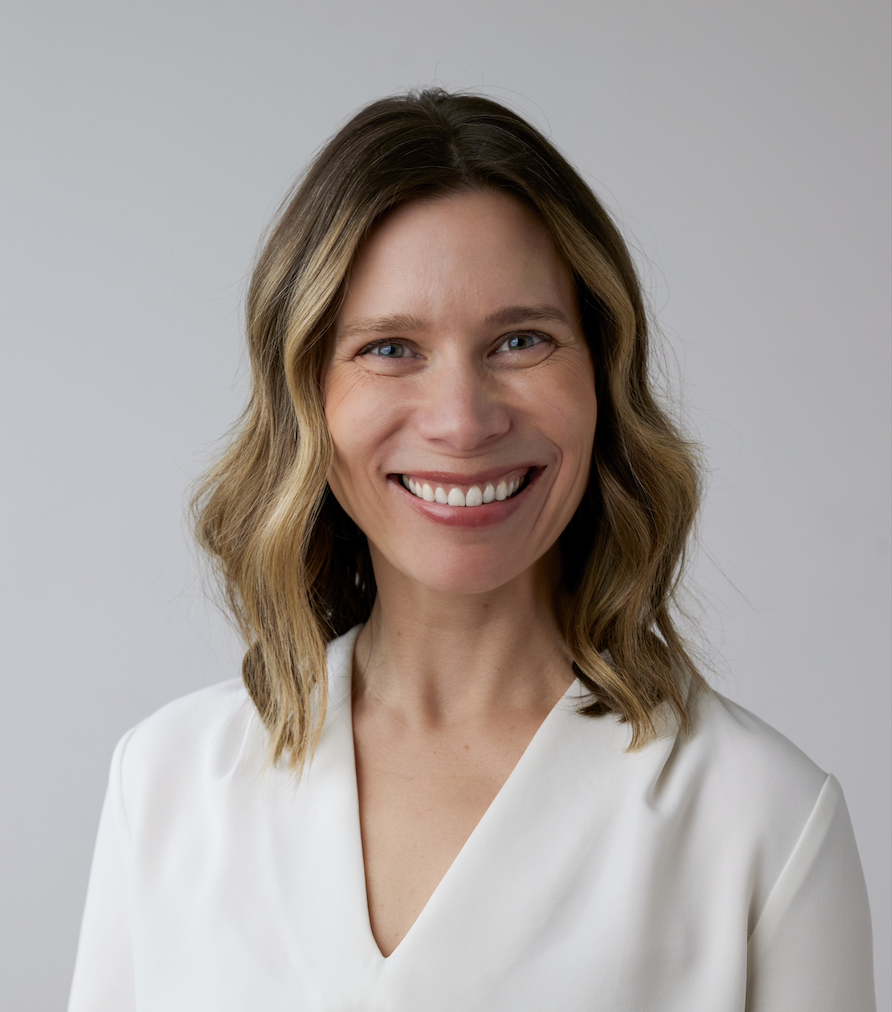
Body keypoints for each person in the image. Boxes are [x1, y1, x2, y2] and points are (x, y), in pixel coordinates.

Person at [68, 89, 876, 1011]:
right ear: (306, 396)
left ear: (602, 379)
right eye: (390, 349)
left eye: (521, 340)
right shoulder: (168, 782)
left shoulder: (765, 823)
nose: (462, 421)